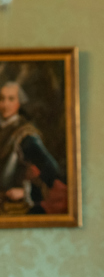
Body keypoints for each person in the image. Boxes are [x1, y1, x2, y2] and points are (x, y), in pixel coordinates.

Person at [0, 81, 67, 215]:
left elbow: (51, 171)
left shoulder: (25, 135)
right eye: (1, 99)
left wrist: (26, 192)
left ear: (19, 103)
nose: (5, 104)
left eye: (11, 99)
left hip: (12, 208)